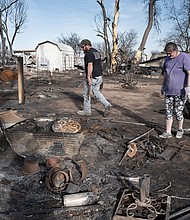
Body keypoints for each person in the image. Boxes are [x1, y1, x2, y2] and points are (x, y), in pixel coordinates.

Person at [159, 42, 190, 139]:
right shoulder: (167, 60)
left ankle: (180, 129)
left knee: (178, 111)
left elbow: (189, 72)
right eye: (167, 53)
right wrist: (163, 86)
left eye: (170, 53)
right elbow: (166, 74)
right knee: (168, 111)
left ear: (175, 50)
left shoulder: (184, 57)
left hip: (180, 91)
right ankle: (168, 132)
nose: (169, 55)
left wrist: (188, 88)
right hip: (169, 91)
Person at [77, 39, 113, 117]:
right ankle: (107, 105)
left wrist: (89, 78)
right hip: (99, 76)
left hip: (92, 77)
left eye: (83, 47)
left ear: (87, 45)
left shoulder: (88, 54)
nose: (82, 49)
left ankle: (87, 111)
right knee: (97, 92)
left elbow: (90, 65)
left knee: (86, 94)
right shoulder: (96, 52)